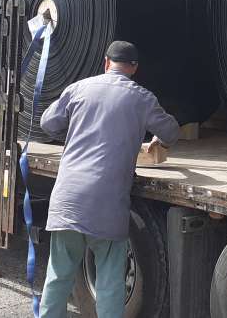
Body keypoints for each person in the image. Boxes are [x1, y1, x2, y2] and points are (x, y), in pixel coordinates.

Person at [38, 40, 179, 318]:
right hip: (108, 205)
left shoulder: (78, 89)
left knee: (58, 276)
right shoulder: (142, 98)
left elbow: (47, 123)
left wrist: (77, 129)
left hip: (68, 200)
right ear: (134, 68)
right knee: (110, 283)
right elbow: (171, 132)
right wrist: (157, 138)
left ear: (106, 63)